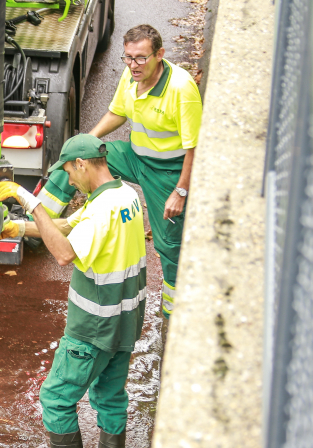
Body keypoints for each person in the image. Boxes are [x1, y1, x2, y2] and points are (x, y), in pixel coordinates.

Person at [0, 134, 147, 448]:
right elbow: (69, 225)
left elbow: (64, 253)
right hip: (126, 322)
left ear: (81, 164)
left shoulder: (101, 210)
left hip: (93, 327)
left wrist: (31, 203)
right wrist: (17, 228)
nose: (69, 180)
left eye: (68, 172)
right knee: (111, 399)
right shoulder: (124, 196)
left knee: (55, 398)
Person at [37, 24, 202, 319]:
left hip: (167, 172)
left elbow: (194, 148)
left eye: (140, 58)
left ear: (159, 55)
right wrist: (86, 142)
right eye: (128, 57)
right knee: (73, 156)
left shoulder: (181, 88)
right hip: (134, 157)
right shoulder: (131, 76)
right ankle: (39, 221)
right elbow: (117, 113)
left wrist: (180, 191)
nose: (133, 65)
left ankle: (173, 315)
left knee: (168, 243)